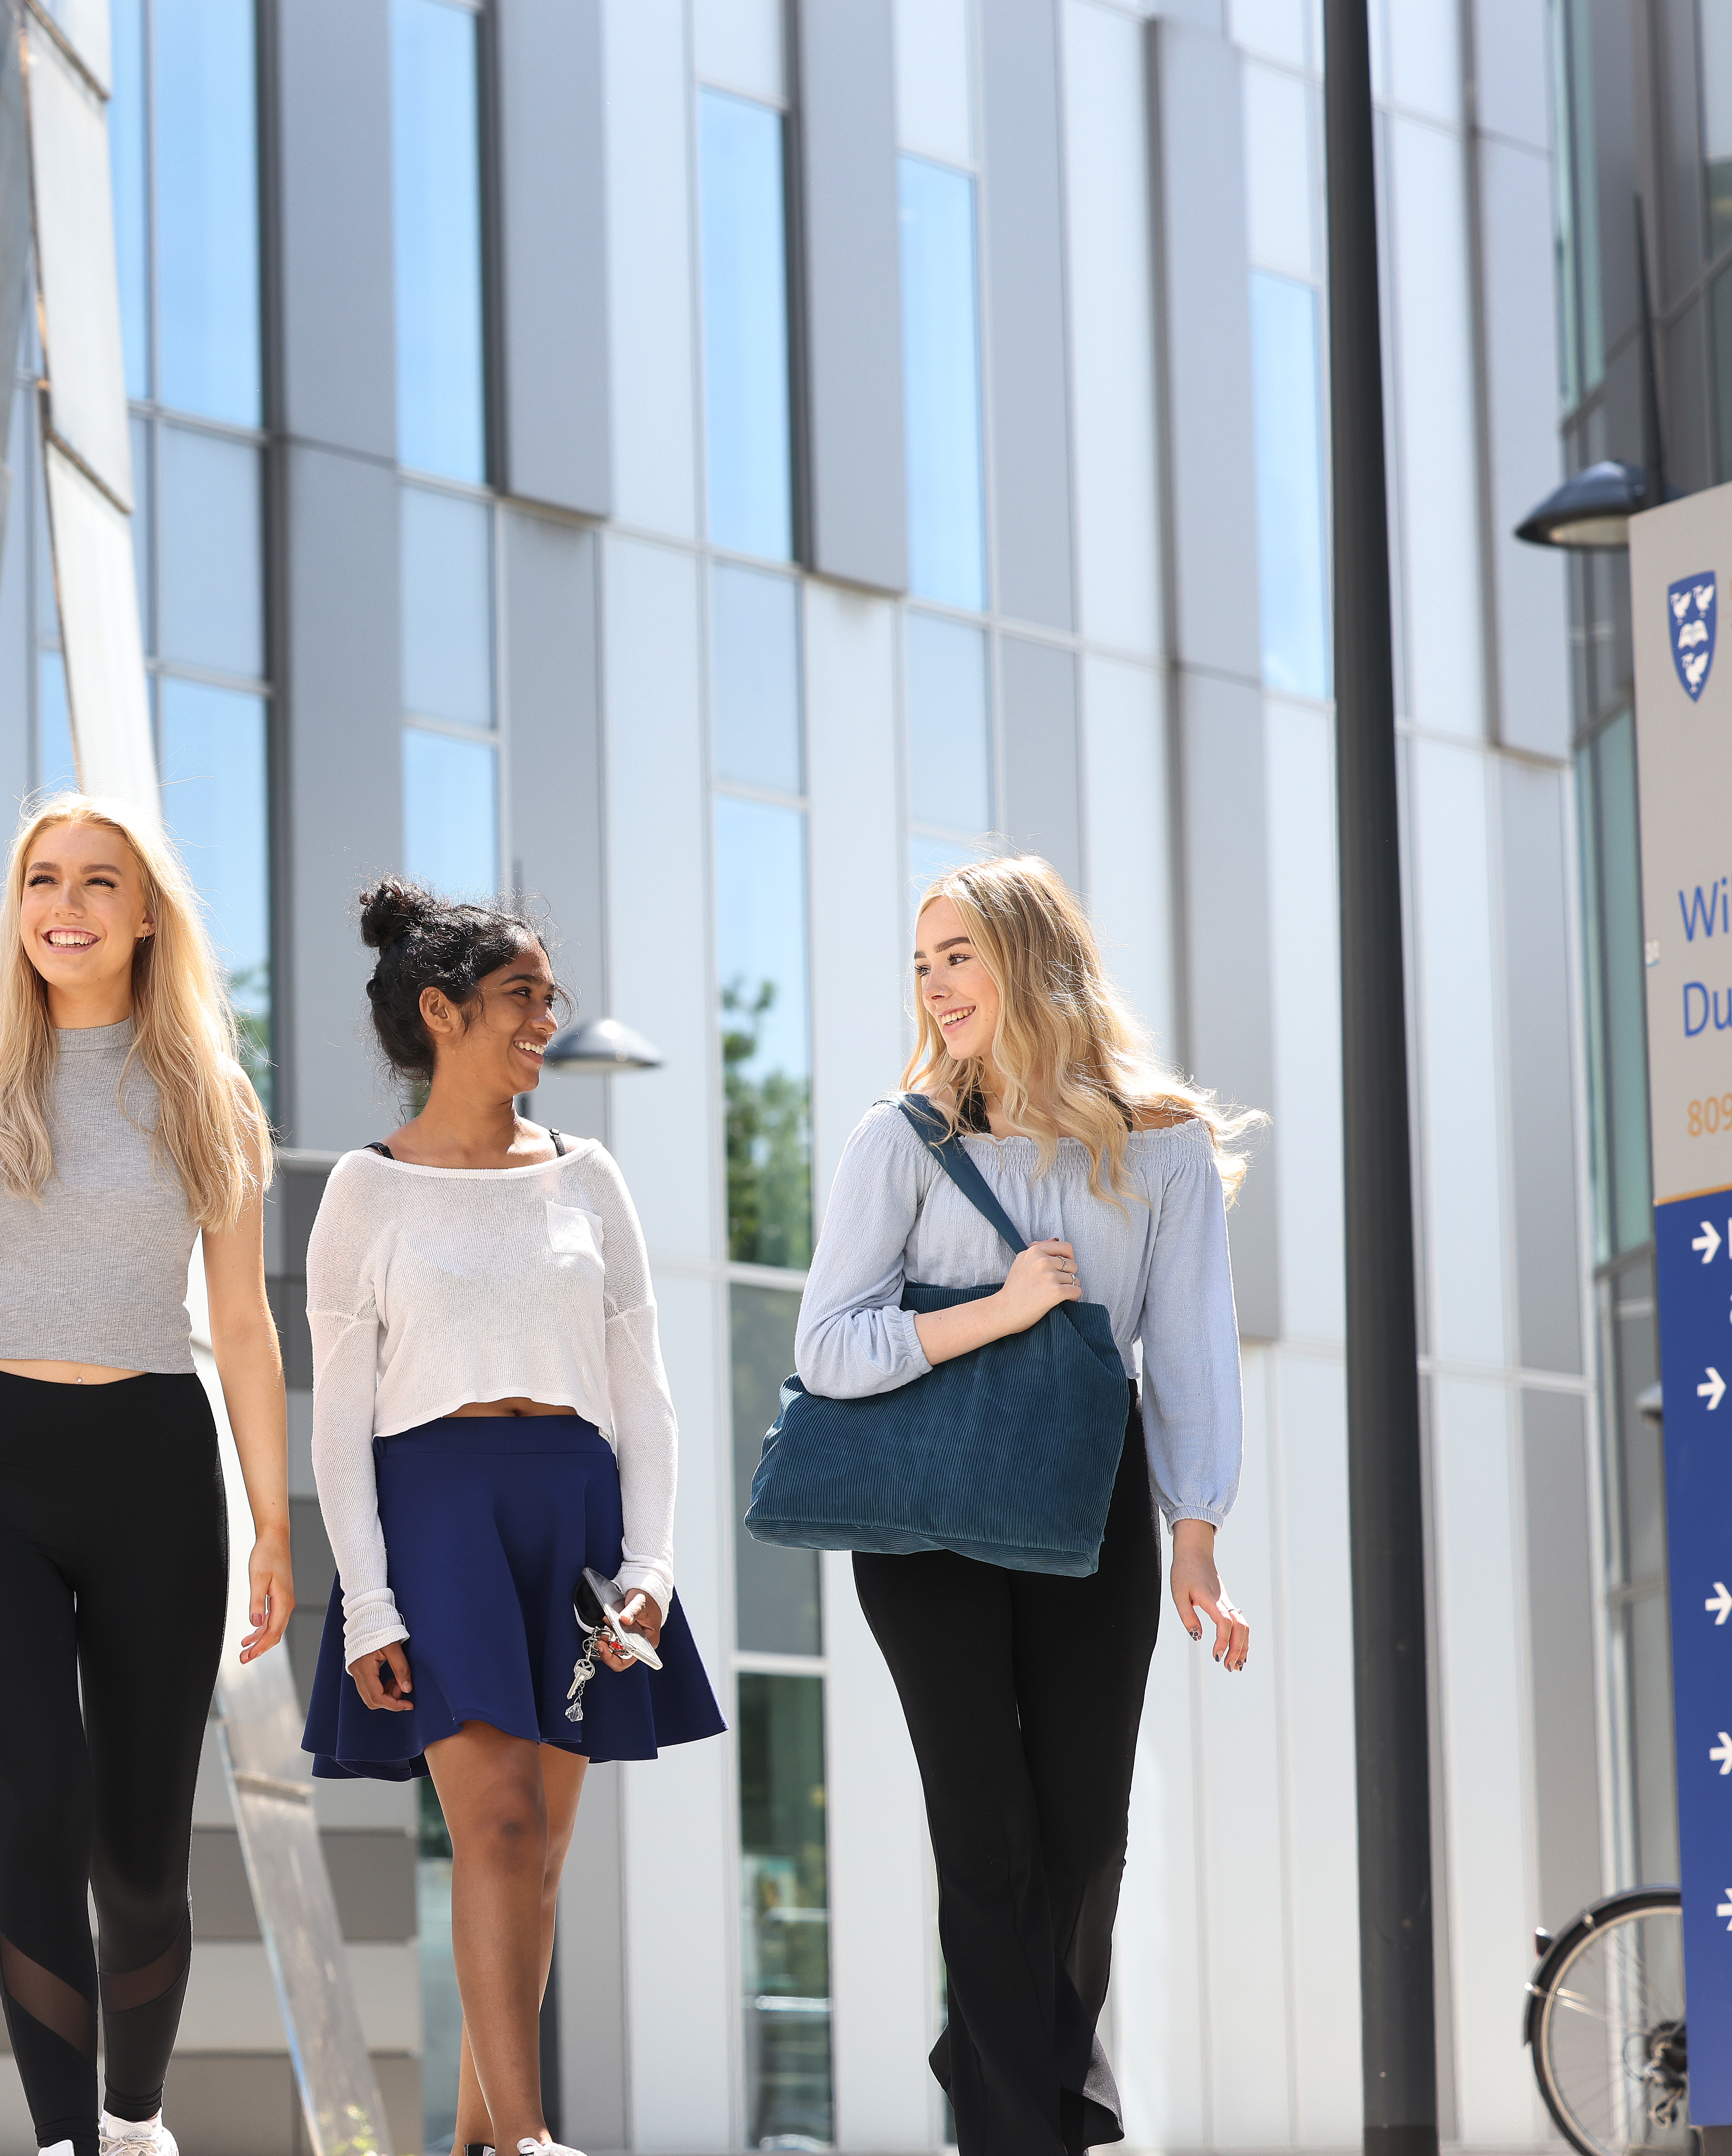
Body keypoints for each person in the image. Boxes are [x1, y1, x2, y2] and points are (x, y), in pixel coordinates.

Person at [0, 793, 292, 2156]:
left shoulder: (211, 1085)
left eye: (98, 881)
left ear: (149, 913)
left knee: (140, 1859)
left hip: (156, 1466)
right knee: (35, 1813)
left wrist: (274, 1527)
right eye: (41, 880)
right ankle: (62, 2143)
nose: (65, 906)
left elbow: (246, 1325)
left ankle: (135, 2120)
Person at [795, 855, 1256, 2155]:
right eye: (924, 962)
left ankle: (998, 2061)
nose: (937, 986)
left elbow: (1191, 1349)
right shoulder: (899, 1140)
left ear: (1032, 960)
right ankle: (1020, 2131)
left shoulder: (1156, 1144)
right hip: (928, 1509)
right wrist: (1000, 1312)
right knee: (986, 1829)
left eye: (961, 956)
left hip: (1088, 1505)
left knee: (1085, 1835)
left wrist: (1198, 1537)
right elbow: (828, 1346)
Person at [301, 880, 723, 2156]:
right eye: (523, 996)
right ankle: (534, 2138)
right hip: (437, 1513)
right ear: (441, 1011)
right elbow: (340, 1424)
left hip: (581, 1521)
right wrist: (367, 1598)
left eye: (553, 998)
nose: (548, 1019)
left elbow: (646, 1400)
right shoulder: (365, 1194)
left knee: (534, 1856)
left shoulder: (592, 1179)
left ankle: (482, 2146)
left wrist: (652, 1563)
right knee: (488, 1823)